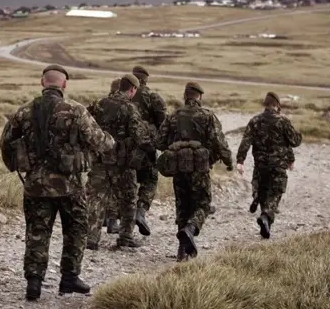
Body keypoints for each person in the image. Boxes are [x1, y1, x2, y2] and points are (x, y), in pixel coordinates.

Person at [1, 64, 115, 301]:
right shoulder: (75, 110)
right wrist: (110, 143)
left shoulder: (25, 111)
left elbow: (7, 143)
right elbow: (100, 141)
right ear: (64, 84)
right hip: (69, 186)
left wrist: (20, 165)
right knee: (76, 230)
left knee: (37, 232)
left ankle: (34, 281)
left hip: (35, 185)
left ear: (43, 83)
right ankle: (69, 278)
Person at [156, 82, 233, 262]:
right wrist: (229, 162)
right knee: (203, 204)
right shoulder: (207, 116)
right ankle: (190, 229)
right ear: (199, 97)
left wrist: (177, 147)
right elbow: (219, 143)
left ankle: (182, 252)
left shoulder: (173, 116)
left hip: (179, 168)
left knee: (183, 206)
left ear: (185, 96)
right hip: (199, 168)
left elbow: (159, 142)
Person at [87, 74, 154, 249]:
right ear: (132, 89)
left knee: (96, 198)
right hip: (122, 163)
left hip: (100, 160)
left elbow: (86, 127)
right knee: (128, 198)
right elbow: (139, 136)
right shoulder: (130, 109)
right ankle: (125, 237)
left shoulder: (99, 104)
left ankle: (91, 239)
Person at [236, 92, 302, 239]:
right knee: (275, 194)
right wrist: (297, 133)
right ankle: (266, 216)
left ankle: (258, 200)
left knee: (262, 189)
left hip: (261, 165)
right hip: (278, 166)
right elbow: (294, 142)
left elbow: (245, 142)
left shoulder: (255, 121)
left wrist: (240, 161)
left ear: (265, 105)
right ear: (277, 105)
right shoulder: (283, 121)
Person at [130, 66, 167, 236]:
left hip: (124, 146)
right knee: (150, 180)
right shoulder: (154, 97)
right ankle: (140, 211)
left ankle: (113, 218)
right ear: (146, 79)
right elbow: (164, 125)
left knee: (125, 181)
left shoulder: (123, 94)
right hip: (147, 147)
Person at [86, 78, 121, 235]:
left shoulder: (97, 104)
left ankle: (92, 235)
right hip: (118, 157)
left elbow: (86, 125)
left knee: (95, 195)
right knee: (116, 191)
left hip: (98, 155)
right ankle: (113, 223)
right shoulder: (127, 107)